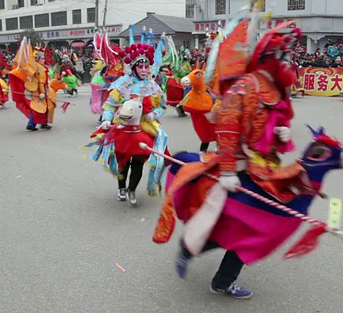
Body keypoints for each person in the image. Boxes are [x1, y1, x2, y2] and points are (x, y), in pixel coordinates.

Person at [175, 20, 303, 299]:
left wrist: (282, 133)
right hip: (240, 169)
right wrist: (230, 170)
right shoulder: (246, 86)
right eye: (286, 56)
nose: (290, 62)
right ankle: (190, 248)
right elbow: (228, 127)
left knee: (253, 229)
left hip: (266, 171)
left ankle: (219, 277)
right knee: (230, 224)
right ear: (272, 57)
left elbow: (273, 129)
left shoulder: (277, 89)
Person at [96, 43, 168, 205]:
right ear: (134, 67)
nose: (143, 70)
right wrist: (107, 119)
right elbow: (110, 105)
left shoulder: (153, 86)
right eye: (140, 66)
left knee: (138, 162)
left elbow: (163, 106)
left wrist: (153, 115)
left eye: (146, 66)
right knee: (123, 161)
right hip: (123, 127)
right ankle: (121, 187)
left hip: (144, 127)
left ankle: (132, 190)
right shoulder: (122, 85)